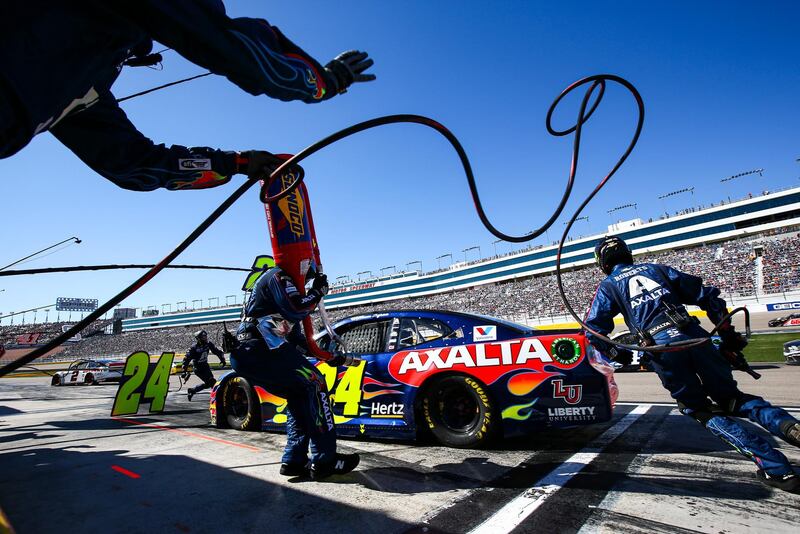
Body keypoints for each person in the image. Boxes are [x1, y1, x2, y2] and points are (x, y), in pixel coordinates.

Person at [1, 1, 375, 189]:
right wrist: (324, 82)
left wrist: (237, 163)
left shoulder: (83, 86)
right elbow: (233, 50)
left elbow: (134, 164)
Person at [585, 235, 800, 492]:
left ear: (603, 264)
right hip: (696, 338)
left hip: (662, 349)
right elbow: (710, 298)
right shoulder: (657, 269)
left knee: (698, 409)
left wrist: (620, 355)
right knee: (734, 399)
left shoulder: (609, 285)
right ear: (628, 254)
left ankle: (777, 468)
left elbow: (592, 331)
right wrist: (729, 339)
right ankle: (790, 427)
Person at [231, 266, 358, 480]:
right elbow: (296, 308)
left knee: (300, 394)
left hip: (257, 352)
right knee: (316, 382)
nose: (309, 277)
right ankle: (325, 460)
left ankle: (293, 460)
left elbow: (299, 343)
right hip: (260, 349)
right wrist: (317, 292)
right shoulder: (277, 275)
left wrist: (330, 356)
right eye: (310, 271)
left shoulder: (287, 289)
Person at [182, 329, 227, 401]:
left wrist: (222, 360)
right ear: (198, 338)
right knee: (212, 382)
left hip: (205, 366)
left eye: (205, 336)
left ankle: (192, 390)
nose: (205, 338)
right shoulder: (194, 347)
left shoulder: (208, 344)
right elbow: (186, 359)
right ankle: (217, 398)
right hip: (198, 368)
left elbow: (216, 351)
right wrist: (184, 370)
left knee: (209, 383)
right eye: (203, 337)